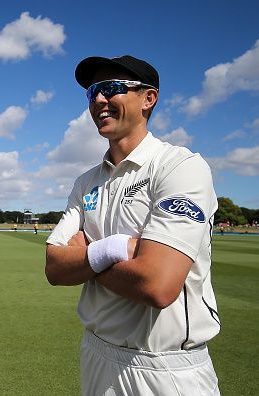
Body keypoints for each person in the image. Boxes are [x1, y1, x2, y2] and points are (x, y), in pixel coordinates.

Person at [45, 55, 220, 395]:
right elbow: (54, 268)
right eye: (92, 92)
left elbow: (157, 285)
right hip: (96, 355)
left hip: (165, 369)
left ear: (148, 98)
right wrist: (116, 250)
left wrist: (88, 257)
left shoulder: (179, 167)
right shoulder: (86, 182)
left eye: (111, 88)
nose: (98, 99)